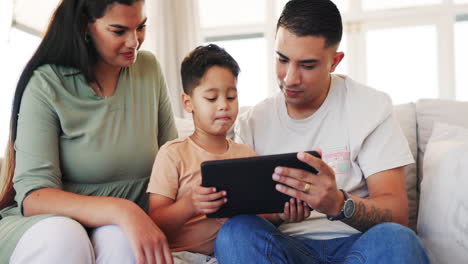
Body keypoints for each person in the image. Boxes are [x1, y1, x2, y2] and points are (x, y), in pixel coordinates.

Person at [214, 0, 430, 263]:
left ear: (334, 61)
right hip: (285, 247)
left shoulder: (371, 107)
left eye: (307, 65)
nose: (290, 78)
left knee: (398, 240)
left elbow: (397, 214)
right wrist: (281, 214)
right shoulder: (253, 122)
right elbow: (249, 215)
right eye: (282, 60)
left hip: (359, 247)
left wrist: (339, 204)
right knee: (235, 233)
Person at [0, 0, 176, 263]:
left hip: (124, 225)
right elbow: (35, 197)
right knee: (65, 237)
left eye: (141, 26)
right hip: (52, 223)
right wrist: (122, 210)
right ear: (85, 26)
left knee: (124, 244)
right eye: (119, 31)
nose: (134, 42)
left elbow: (173, 165)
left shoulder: (149, 70)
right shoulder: (46, 83)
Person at [147, 44, 310, 263]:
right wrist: (190, 204)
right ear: (188, 103)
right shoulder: (173, 154)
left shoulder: (246, 156)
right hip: (179, 257)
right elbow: (155, 221)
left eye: (231, 97)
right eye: (212, 99)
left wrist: (282, 215)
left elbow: (262, 216)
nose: (224, 105)